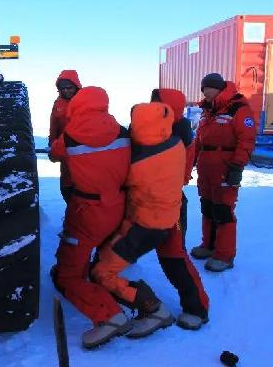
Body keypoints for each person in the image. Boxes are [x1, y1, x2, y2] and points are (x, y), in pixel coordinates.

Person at [91, 101, 185, 338]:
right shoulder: (176, 144)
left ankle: (153, 309)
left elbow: (115, 181)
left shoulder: (137, 163)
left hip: (144, 227)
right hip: (162, 220)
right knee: (104, 255)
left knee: (103, 272)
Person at [49, 86, 132, 349]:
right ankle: (142, 303)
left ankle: (109, 316)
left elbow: (54, 154)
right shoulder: (121, 130)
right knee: (100, 260)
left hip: (87, 210)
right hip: (117, 205)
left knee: (67, 274)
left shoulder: (72, 133)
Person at [150, 88, 209, 329]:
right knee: (117, 247)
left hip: (169, 202)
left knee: (172, 255)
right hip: (143, 200)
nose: (152, 107)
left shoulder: (179, 134)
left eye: (157, 104)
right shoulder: (149, 129)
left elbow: (178, 174)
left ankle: (198, 307)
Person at [190, 73, 256, 272]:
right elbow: (198, 142)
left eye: (208, 91)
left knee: (223, 211)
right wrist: (189, 164)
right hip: (206, 167)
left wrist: (237, 167)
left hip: (225, 166)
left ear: (218, 88)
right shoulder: (206, 111)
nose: (205, 95)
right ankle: (209, 246)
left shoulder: (238, 108)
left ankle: (225, 255)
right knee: (207, 207)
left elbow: (247, 139)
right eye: (204, 92)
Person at [48, 70, 82, 202]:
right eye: (63, 88)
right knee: (67, 184)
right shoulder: (58, 104)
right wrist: (52, 144)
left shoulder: (84, 102)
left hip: (82, 148)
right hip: (64, 148)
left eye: (70, 88)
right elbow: (53, 125)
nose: (67, 91)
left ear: (76, 86)